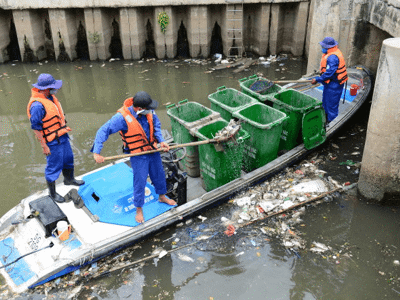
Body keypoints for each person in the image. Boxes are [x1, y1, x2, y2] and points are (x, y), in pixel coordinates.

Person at [92, 91, 176, 223]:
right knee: (140, 181)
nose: (151, 110)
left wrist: (161, 141)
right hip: (138, 155)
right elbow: (104, 130)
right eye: (148, 109)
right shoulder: (122, 118)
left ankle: (162, 196)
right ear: (139, 109)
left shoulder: (149, 112)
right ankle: (139, 209)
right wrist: (97, 152)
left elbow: (157, 126)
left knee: (159, 174)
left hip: (152, 150)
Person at [27, 73, 84, 203]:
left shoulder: (50, 98)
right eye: (53, 87)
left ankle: (69, 180)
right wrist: (44, 145)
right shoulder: (37, 105)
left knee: (68, 158)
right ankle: (52, 193)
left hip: (62, 135)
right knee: (53, 166)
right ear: (45, 88)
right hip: (51, 141)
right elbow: (36, 127)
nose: (55, 89)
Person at [311, 36, 348, 124]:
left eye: (323, 46)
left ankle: (331, 122)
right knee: (326, 101)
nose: (322, 48)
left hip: (334, 84)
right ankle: (325, 117)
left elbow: (330, 73)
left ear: (328, 47)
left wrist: (318, 79)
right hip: (330, 83)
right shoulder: (332, 52)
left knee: (331, 104)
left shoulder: (332, 57)